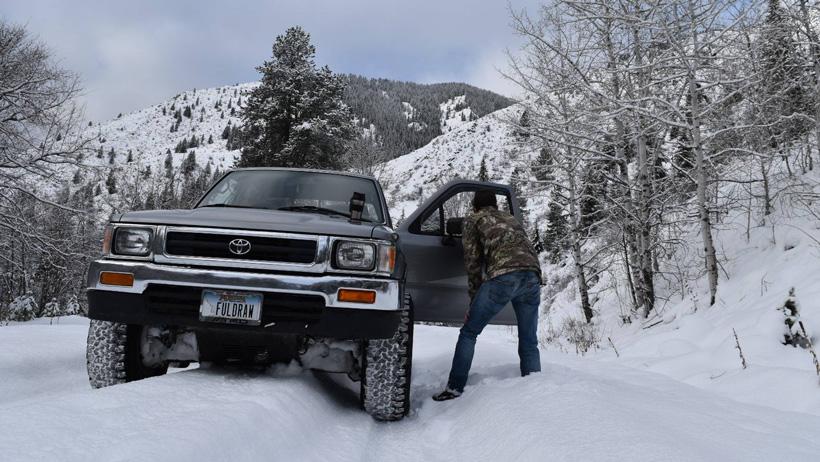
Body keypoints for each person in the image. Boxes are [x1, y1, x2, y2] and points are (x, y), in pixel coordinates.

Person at [433, 190, 542, 401]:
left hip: (503, 275)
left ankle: (454, 388)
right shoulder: (510, 218)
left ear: (475, 205)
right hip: (532, 275)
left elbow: (472, 262)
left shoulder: (473, 220)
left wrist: (474, 300)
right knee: (529, 340)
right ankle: (535, 391)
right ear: (495, 203)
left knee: (469, 332)